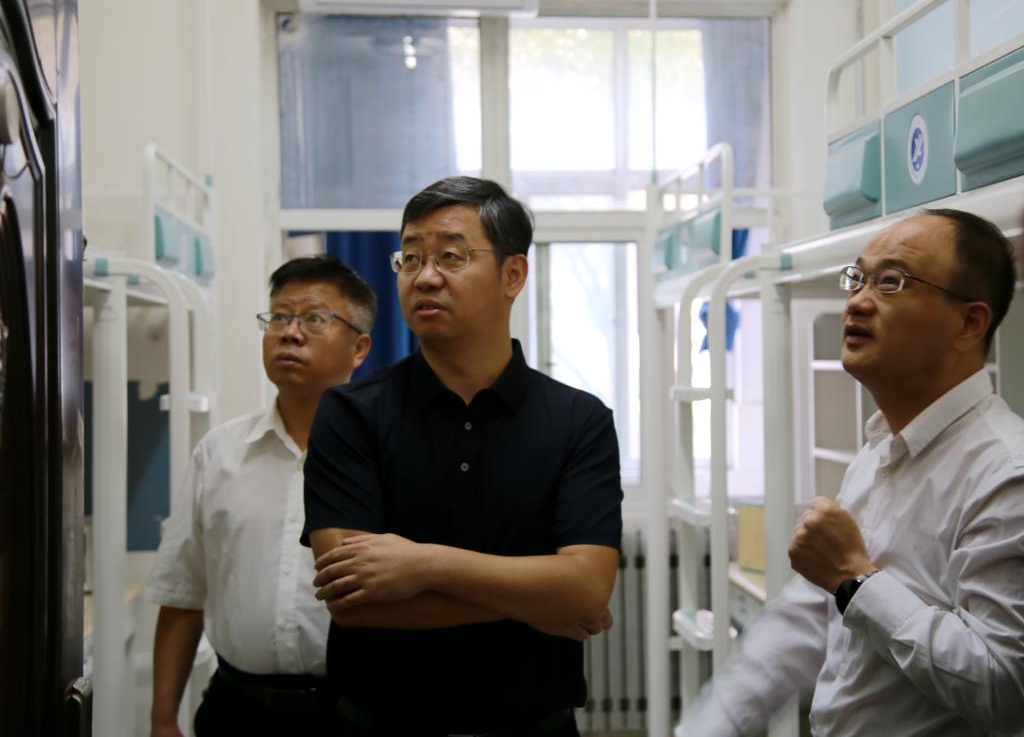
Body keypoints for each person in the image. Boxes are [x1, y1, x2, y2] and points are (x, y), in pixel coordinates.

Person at [682, 208, 1024, 736]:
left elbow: (1004, 690)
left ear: (969, 323)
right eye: (858, 278)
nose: (858, 301)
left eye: (892, 282)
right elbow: (809, 617)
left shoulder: (1006, 473)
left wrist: (856, 580)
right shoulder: (879, 450)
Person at [302, 176, 623, 736]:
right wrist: (539, 602)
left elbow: (588, 588)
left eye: (451, 256)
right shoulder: (350, 412)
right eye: (410, 258)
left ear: (513, 275)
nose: (425, 276)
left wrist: (423, 565)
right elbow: (353, 600)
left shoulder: (579, 419)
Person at [145, 255, 375, 737]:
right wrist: (163, 718)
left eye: (314, 319)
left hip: (355, 713)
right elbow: (184, 593)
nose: (289, 333)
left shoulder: (383, 457)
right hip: (237, 711)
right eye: (278, 317)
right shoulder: (220, 453)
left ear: (359, 347)